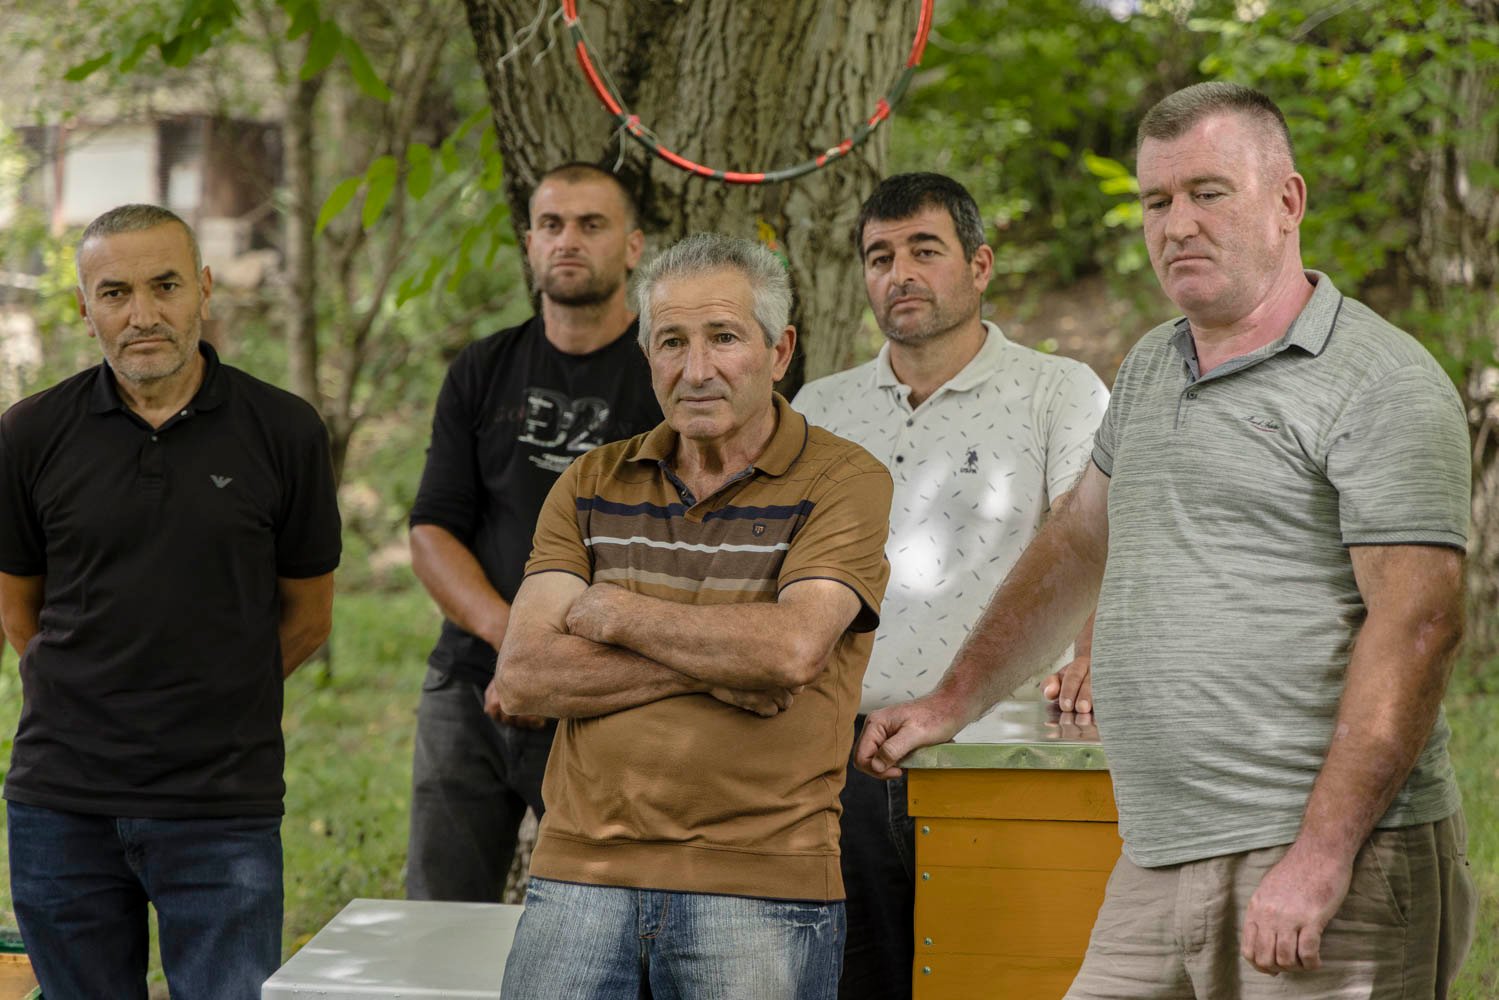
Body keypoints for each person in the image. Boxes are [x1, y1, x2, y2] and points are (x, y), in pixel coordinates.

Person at [857, 82, 1477, 998]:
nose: (1176, 224)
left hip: (1329, 855)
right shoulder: (1152, 364)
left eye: (1207, 193)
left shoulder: (1377, 380)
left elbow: (1419, 625)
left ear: (1286, 202)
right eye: (1156, 201)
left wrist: (1320, 855)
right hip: (1157, 849)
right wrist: (952, 699)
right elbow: (1076, 547)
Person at [493, 233, 893, 999]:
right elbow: (524, 676)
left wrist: (614, 611)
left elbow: (788, 652)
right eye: (672, 341)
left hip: (760, 882)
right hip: (579, 874)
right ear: (649, 356)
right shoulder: (590, 480)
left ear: (779, 351)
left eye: (723, 338)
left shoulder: (843, 480)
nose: (696, 369)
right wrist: (718, 666)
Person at [0, 204, 341, 999]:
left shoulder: (284, 430)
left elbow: (309, 617)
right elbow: (20, 612)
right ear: (84, 307)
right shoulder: (29, 434)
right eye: (115, 293)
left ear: (205, 290)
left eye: (165, 286)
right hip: (62, 806)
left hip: (221, 803)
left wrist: (217, 698)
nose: (143, 314)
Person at [792, 172, 1108, 999]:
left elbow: (1093, 535)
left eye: (923, 250)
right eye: (879, 257)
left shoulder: (1058, 391)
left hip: (996, 749)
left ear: (979, 265)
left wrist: (1091, 649)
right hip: (842, 760)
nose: (899, 273)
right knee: (856, 982)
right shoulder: (819, 410)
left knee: (988, 978)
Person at [405, 162, 662, 902]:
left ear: (633, 246)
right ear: (529, 244)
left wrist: (558, 666)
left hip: (609, 687)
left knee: (608, 915)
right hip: (472, 679)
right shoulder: (483, 368)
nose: (567, 240)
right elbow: (432, 531)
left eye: (591, 224)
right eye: (551, 224)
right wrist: (512, 645)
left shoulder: (664, 377)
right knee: (439, 915)